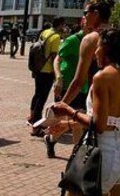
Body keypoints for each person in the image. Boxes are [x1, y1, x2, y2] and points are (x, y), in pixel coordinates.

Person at [53, 28, 120, 196]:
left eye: (98, 47)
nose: (95, 52)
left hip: (101, 156)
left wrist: (69, 111)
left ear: (107, 49)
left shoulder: (102, 77)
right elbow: (112, 120)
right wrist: (68, 124)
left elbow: (100, 125)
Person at [58, 0, 114, 153]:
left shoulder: (90, 39)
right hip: (118, 103)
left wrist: (61, 106)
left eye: (85, 13)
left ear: (95, 14)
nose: (83, 17)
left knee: (92, 152)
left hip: (96, 98)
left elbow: (78, 81)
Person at [45, 23, 88, 158]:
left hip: (84, 86)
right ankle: (76, 157)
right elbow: (57, 58)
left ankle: (52, 140)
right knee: (76, 123)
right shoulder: (73, 40)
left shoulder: (95, 40)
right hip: (69, 86)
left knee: (76, 123)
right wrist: (58, 78)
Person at [28, 17, 64, 133]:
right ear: (60, 25)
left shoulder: (45, 32)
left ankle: (32, 117)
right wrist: (56, 74)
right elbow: (54, 57)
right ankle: (36, 126)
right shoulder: (56, 37)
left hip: (38, 68)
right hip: (47, 70)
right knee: (42, 98)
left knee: (37, 94)